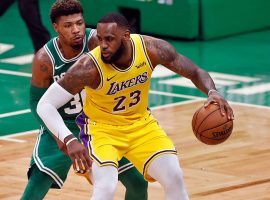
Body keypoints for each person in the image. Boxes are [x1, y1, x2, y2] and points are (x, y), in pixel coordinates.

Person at [37, 13, 234, 200]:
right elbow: (45, 105)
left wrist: (212, 92)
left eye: (110, 39)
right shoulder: (88, 67)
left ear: (126, 36)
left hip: (141, 126)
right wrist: (69, 139)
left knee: (174, 176)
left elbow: (195, 72)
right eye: (100, 38)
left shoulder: (152, 49)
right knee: (106, 186)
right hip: (101, 131)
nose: (103, 45)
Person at [21, 2, 148, 200]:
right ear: (56, 27)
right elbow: (36, 103)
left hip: (101, 122)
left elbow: (125, 74)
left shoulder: (98, 42)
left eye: (79, 23)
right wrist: (61, 138)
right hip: (64, 124)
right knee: (39, 178)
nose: (76, 30)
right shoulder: (45, 59)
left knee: (138, 182)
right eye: (68, 25)